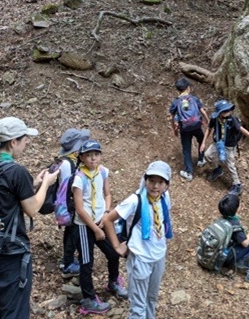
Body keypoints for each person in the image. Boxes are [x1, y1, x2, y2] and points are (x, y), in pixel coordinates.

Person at [0, 117, 60, 319]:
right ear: (13, 142)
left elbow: (7, 198)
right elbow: (32, 209)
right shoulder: (16, 171)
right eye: (24, 139)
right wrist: (46, 182)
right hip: (10, 255)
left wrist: (33, 183)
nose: (26, 143)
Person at [103, 160, 173, 319]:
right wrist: (116, 245)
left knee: (151, 299)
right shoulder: (136, 200)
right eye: (152, 180)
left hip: (158, 255)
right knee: (138, 306)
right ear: (145, 180)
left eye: (160, 182)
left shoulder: (164, 198)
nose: (155, 186)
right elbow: (108, 219)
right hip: (140, 257)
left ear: (166, 184)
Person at [72, 139, 128, 315]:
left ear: (101, 156)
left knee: (113, 252)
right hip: (83, 225)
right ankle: (88, 299)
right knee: (87, 262)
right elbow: (79, 209)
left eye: (96, 155)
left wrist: (106, 213)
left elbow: (108, 194)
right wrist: (95, 229)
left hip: (101, 220)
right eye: (88, 156)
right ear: (81, 157)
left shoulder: (102, 172)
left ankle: (113, 282)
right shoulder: (79, 178)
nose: (92, 159)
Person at [199, 99, 249, 195]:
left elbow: (241, 129)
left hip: (229, 146)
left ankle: (237, 185)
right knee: (207, 155)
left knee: (230, 165)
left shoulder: (232, 120)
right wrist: (203, 143)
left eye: (229, 110)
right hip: (217, 143)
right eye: (225, 111)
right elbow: (209, 129)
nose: (228, 112)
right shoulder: (214, 118)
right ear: (219, 112)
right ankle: (217, 170)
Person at [56, 128, 90, 278]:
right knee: (72, 233)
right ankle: (67, 263)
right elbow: (68, 187)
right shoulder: (67, 164)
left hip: (66, 205)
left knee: (70, 232)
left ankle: (68, 259)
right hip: (69, 205)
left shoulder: (64, 161)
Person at [168, 78, 209, 181]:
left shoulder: (176, 102)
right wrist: (208, 121)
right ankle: (201, 159)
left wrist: (174, 129)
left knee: (186, 149)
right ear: (188, 88)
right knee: (201, 140)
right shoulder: (194, 99)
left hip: (184, 129)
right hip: (196, 126)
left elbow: (172, 117)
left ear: (178, 90)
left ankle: (189, 172)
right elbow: (203, 112)